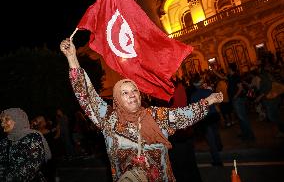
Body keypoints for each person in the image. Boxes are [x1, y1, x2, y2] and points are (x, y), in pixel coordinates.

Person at [60, 38, 223, 181]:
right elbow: (87, 96)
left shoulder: (155, 115)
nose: (131, 95)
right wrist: (72, 58)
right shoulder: (108, 118)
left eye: (134, 91)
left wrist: (208, 101)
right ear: (117, 98)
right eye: (125, 93)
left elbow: (183, 115)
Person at [0, 108, 51, 182]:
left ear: (17, 120)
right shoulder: (5, 141)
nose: (2, 123)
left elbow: (29, 169)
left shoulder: (32, 137)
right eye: (2, 120)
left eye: (6, 119)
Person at [190, 74, 223, 166]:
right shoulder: (208, 91)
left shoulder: (194, 96)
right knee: (216, 133)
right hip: (213, 115)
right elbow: (217, 101)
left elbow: (195, 110)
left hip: (205, 119)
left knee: (210, 139)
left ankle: (217, 160)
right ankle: (219, 147)